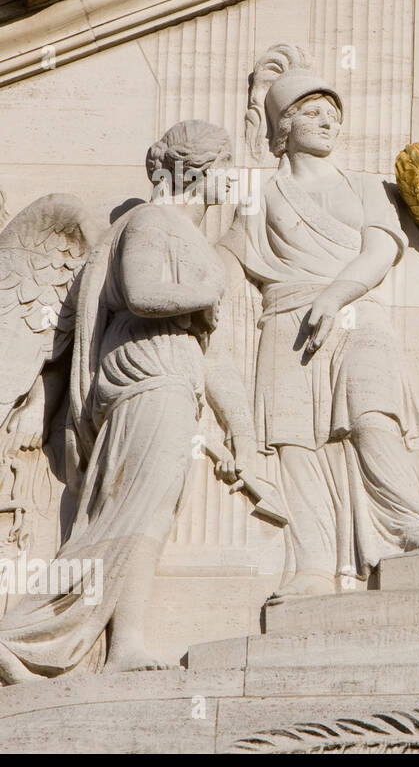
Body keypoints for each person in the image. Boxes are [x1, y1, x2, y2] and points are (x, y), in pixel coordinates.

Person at [0, 121, 255, 683]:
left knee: (145, 512)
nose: (233, 178)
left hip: (171, 378)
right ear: (196, 170)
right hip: (149, 377)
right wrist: (209, 290)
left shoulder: (183, 233)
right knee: (125, 514)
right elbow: (141, 293)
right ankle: (27, 633)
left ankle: (112, 642)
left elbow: (211, 355)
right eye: (224, 166)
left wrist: (240, 426)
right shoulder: (151, 221)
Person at [221, 52, 419, 598]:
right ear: (284, 125)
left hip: (354, 311)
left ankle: (412, 526)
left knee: (372, 416)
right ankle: (314, 566)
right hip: (284, 319)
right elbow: (226, 262)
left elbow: (380, 252)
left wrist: (334, 294)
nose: (329, 123)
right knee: (294, 444)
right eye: (315, 113)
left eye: (333, 115)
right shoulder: (261, 194)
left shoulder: (368, 186)